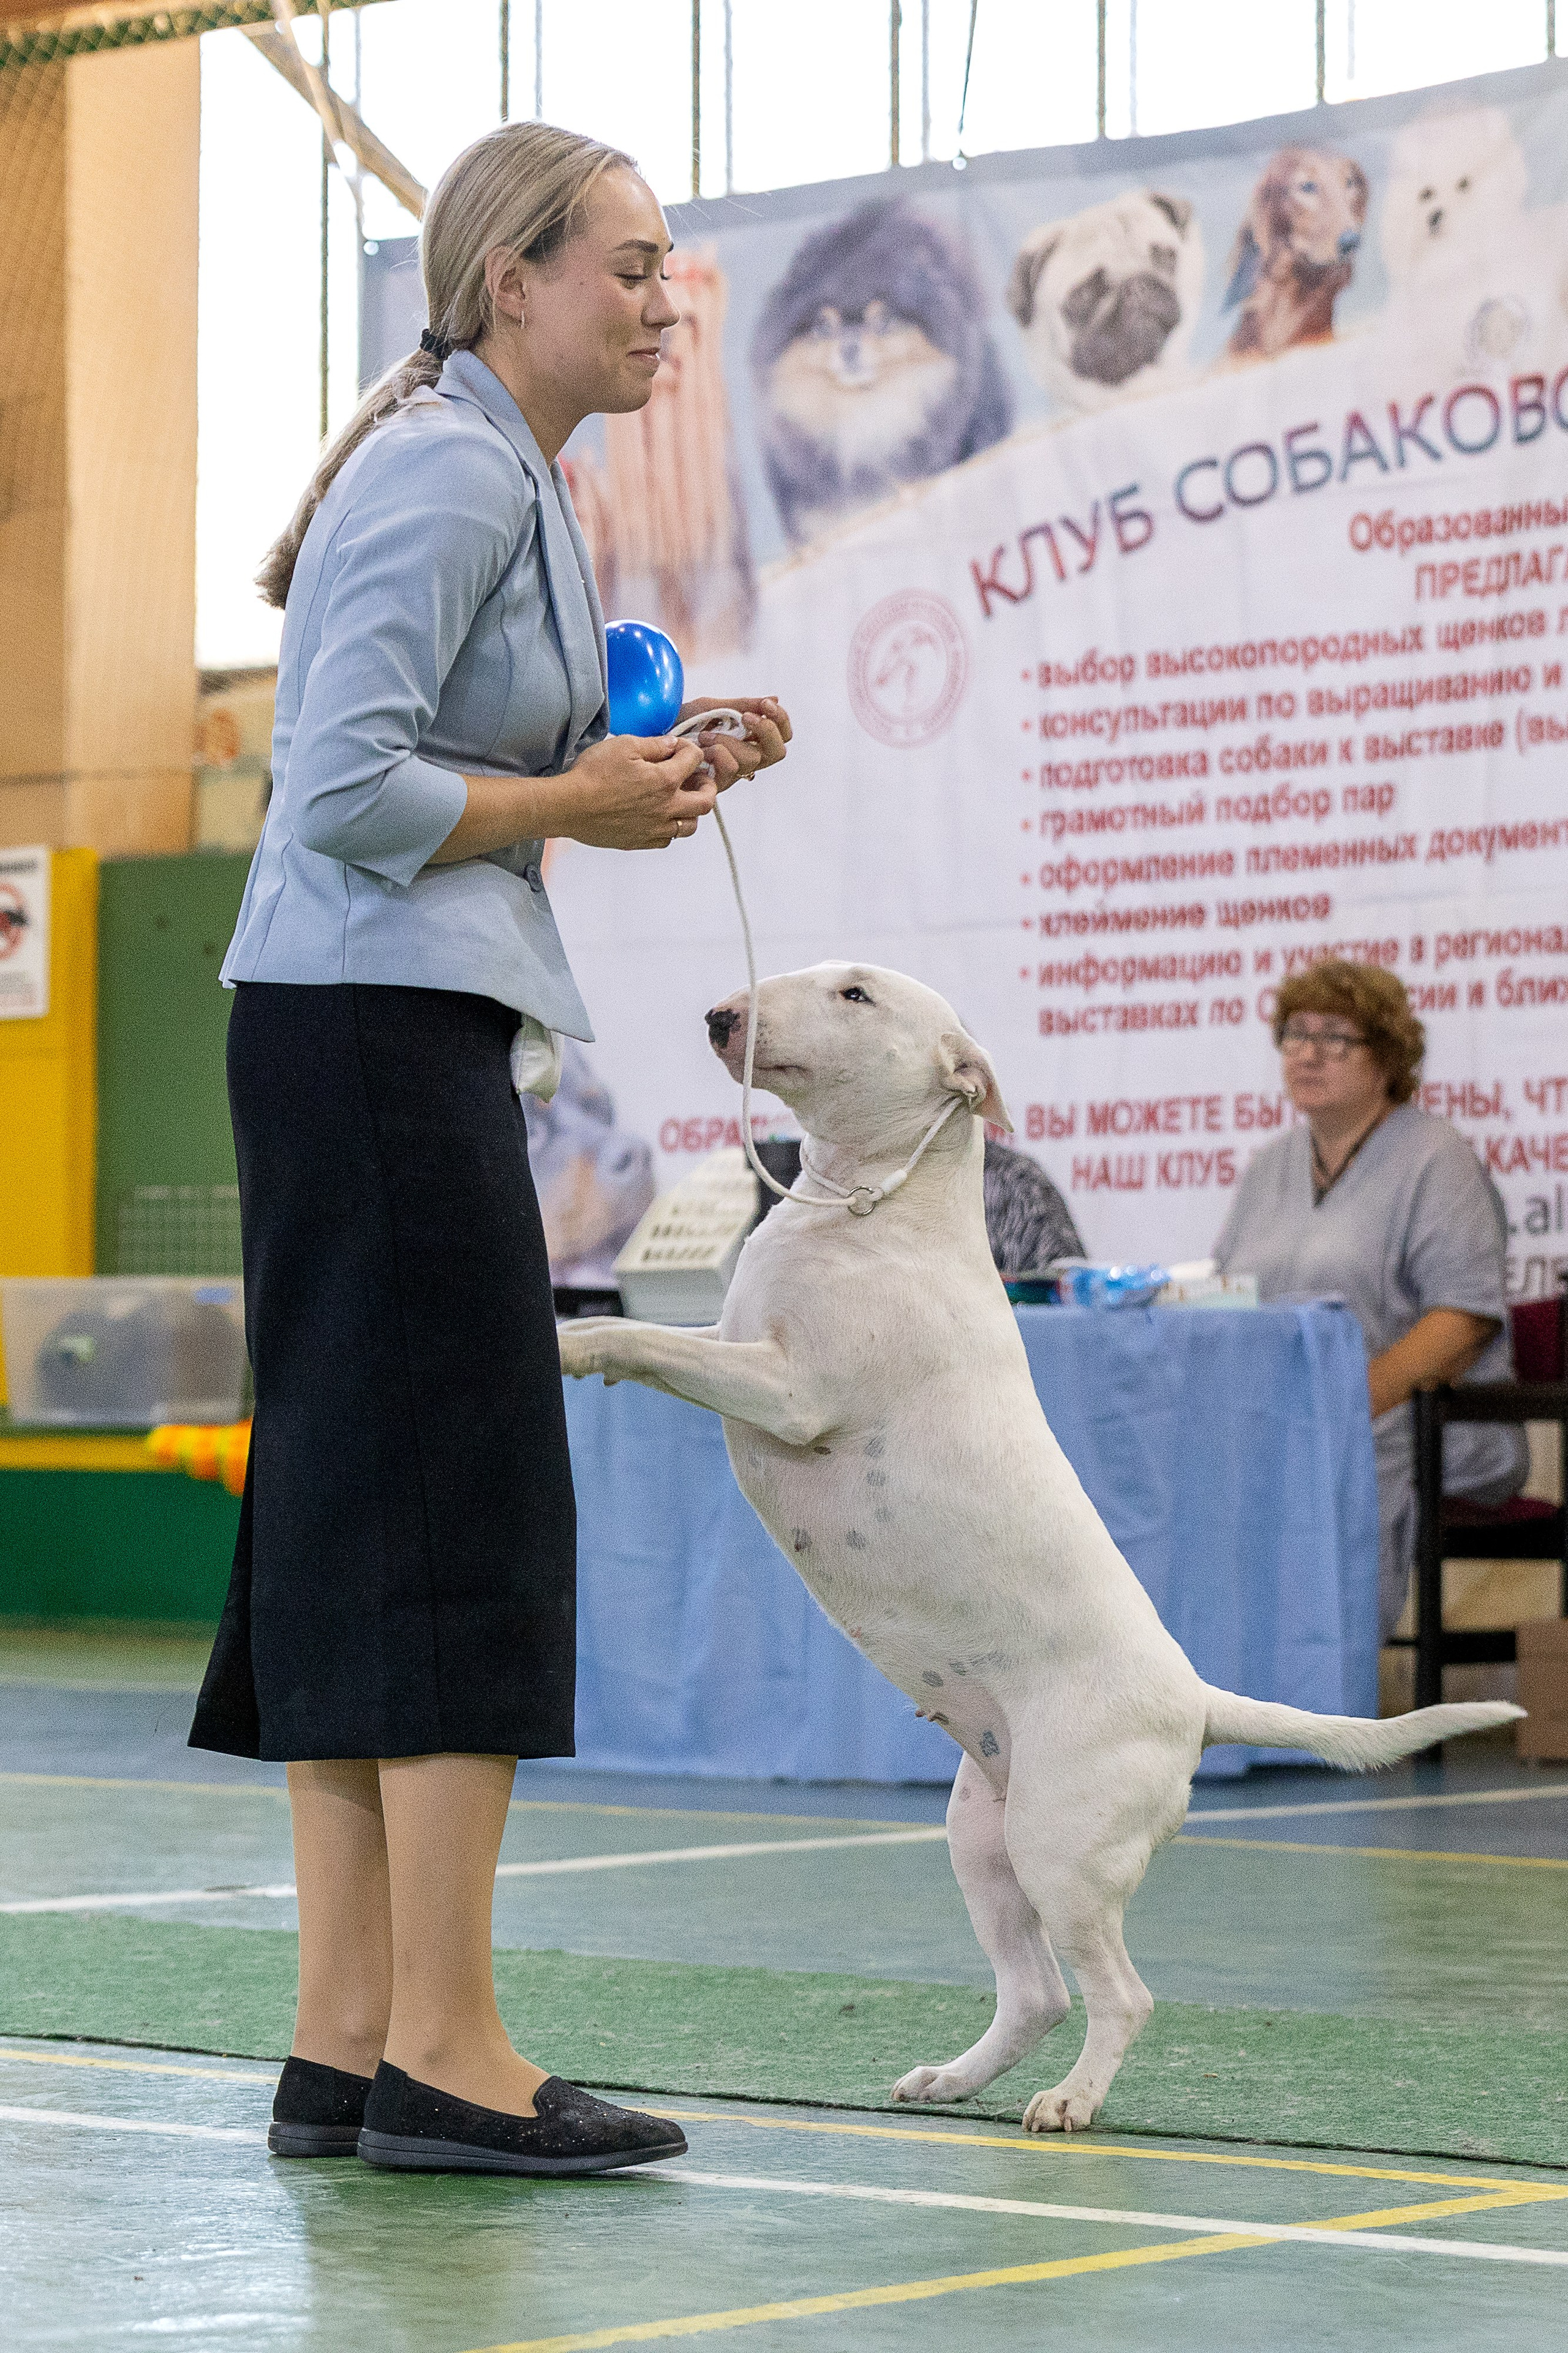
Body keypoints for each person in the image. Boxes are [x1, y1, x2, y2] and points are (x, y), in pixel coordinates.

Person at [187, 122, 791, 2178]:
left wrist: (640, 770)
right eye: (628, 265)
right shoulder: (451, 471)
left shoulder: (498, 471)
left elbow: (453, 769)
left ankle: (346, 2041)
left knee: (365, 1511)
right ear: (509, 280)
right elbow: (342, 788)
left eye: (668, 266)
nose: (661, 301)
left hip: (363, 1028)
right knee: (455, 1510)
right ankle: (450, 2048)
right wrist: (571, 809)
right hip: (373, 1034)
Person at [1214, 959, 1525, 1641]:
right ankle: (1222, 1672)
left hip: (1420, 1422)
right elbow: (1229, 1296)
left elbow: (1463, 1321)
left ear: (1386, 1058)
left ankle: (1320, 1675)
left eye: (1335, 1037)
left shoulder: (1435, 1157)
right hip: (1290, 1417)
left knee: (1331, 1458)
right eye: (1296, 1034)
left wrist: (1340, 1407)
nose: (1308, 1053)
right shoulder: (1270, 1165)